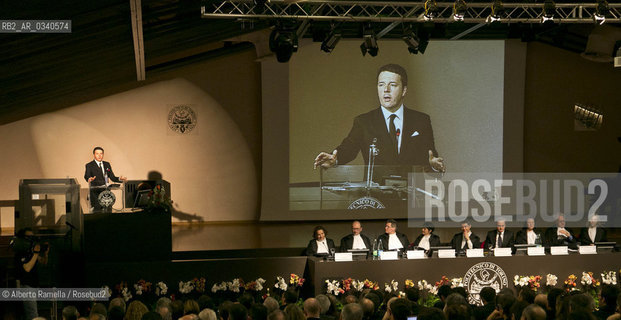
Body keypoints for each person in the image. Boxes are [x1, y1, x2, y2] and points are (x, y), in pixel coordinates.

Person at [313, 64, 445, 172]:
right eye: (381, 84)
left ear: (404, 90)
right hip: (376, 198)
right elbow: (349, 149)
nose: (386, 90)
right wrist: (334, 159)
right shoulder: (364, 121)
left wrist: (433, 165)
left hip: (411, 197)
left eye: (392, 85)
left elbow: (430, 155)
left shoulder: (421, 120)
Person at [11, 227, 49, 320]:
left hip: (34, 285)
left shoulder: (30, 252)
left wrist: (45, 253)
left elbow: (43, 262)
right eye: (29, 237)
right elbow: (27, 268)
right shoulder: (20, 253)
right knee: (33, 314)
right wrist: (36, 253)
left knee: (33, 312)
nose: (31, 239)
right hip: (26, 286)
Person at [84, 146, 127, 210]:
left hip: (106, 194)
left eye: (101, 154)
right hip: (95, 193)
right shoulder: (89, 165)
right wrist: (89, 179)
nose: (99, 155)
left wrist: (120, 179)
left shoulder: (107, 164)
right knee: (97, 213)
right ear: (94, 155)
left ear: (103, 155)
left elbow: (112, 177)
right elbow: (86, 176)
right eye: (97, 154)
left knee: (108, 212)